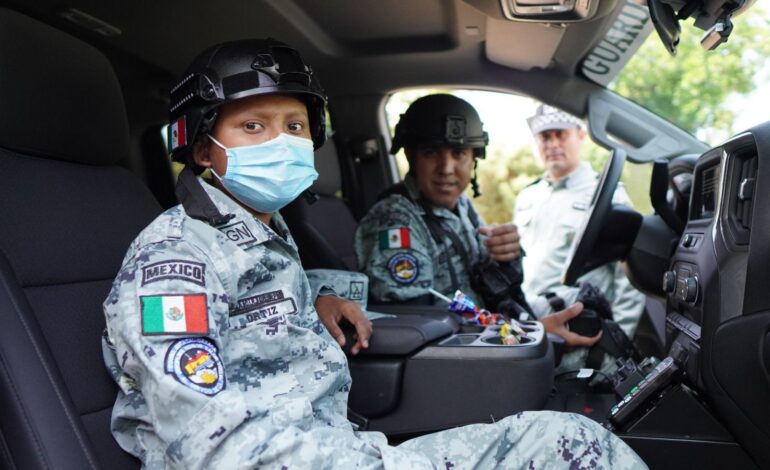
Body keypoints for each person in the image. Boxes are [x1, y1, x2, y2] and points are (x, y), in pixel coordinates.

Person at [102, 40, 645, 468]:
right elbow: (213, 450)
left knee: (570, 437)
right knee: (572, 447)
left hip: (332, 438)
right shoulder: (172, 260)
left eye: (293, 127)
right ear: (202, 148)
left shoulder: (260, 235)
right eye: (252, 126)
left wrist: (316, 297)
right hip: (298, 458)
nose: (280, 142)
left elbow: (250, 312)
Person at [354, 94, 602, 348]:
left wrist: (507, 258)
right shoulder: (395, 220)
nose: (447, 168)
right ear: (411, 157)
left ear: (474, 158)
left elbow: (487, 287)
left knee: (588, 310)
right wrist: (524, 333)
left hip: (480, 333)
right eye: (431, 153)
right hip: (454, 354)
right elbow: (420, 323)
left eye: (459, 153)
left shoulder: (461, 207)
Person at [514, 104, 646, 339]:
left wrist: (614, 341)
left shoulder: (609, 195)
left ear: (581, 135)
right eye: (545, 137)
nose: (553, 144)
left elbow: (629, 280)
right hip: (532, 328)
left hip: (582, 334)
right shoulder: (527, 197)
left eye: (561, 134)